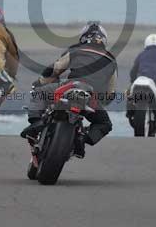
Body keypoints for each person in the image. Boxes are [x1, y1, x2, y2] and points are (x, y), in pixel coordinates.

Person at [20, 22, 116, 158]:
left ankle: (36, 124)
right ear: (103, 40)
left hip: (71, 87)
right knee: (104, 123)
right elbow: (110, 92)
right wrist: (101, 102)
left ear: (83, 37)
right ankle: (82, 139)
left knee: (40, 93)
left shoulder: (75, 50)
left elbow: (55, 69)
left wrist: (40, 83)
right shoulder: (111, 60)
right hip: (90, 96)